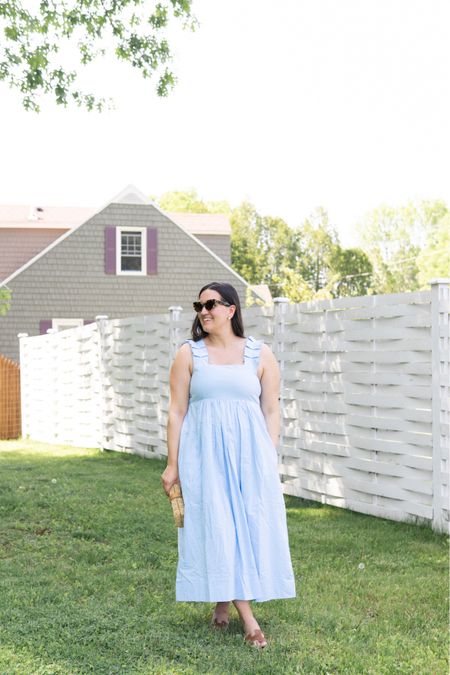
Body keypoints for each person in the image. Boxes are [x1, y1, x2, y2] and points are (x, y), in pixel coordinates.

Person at [161, 281, 296, 648]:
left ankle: (223, 601)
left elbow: (271, 408)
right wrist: (173, 464)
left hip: (250, 456)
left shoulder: (259, 354)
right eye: (199, 306)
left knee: (246, 527)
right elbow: (176, 410)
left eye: (212, 305)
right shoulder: (189, 354)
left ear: (232, 309)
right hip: (203, 456)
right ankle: (249, 620)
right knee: (218, 525)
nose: (204, 311)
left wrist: (267, 454)